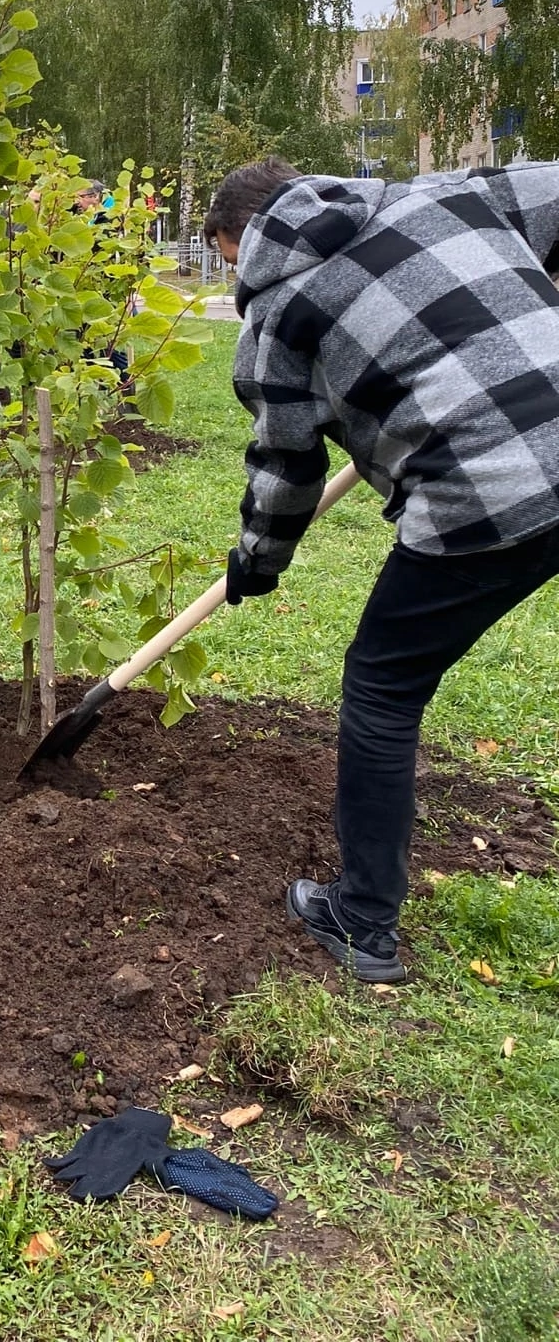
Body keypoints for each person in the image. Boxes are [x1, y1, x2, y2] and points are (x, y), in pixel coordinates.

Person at [207, 154, 559, 984]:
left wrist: (256, 564)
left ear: (238, 236)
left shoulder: (277, 321)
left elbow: (285, 471)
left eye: (229, 262)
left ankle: (362, 923)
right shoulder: (452, 194)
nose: (239, 281)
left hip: (489, 490)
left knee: (383, 686)